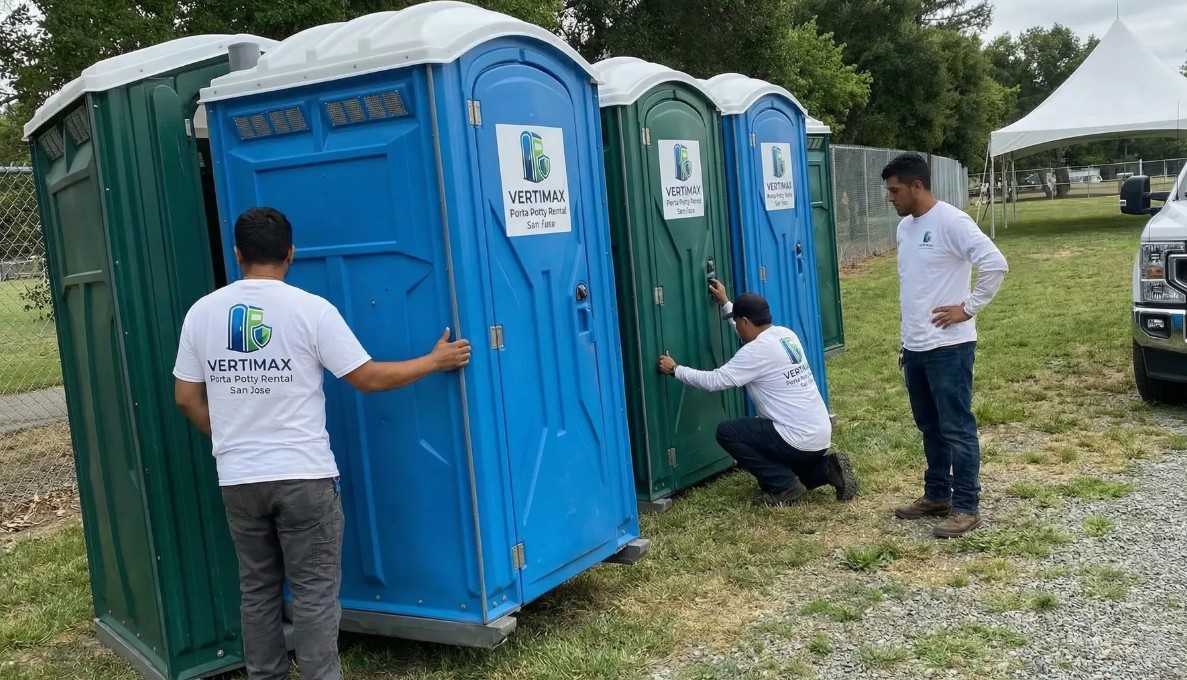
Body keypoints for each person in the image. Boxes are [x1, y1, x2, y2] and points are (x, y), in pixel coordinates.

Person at [172, 207, 471, 680]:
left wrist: (230, 438)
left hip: (239, 478)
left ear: (237, 254)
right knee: (312, 594)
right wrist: (433, 362)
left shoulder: (202, 313)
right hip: (304, 476)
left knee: (257, 590)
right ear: (291, 254)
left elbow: (186, 397)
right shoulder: (311, 310)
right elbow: (368, 378)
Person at [882, 152, 1008, 539]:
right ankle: (937, 495)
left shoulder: (952, 221)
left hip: (949, 349)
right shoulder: (905, 228)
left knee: (956, 427)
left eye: (895, 190)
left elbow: (995, 263)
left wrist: (967, 309)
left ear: (916, 186)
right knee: (929, 426)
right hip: (916, 347)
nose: (891, 198)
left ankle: (966, 506)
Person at [657, 280, 857, 507]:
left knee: (728, 432)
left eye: (736, 321)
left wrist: (676, 370)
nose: (736, 325)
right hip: (818, 437)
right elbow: (750, 337)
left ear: (745, 321)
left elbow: (715, 381)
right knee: (779, 466)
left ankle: (785, 486)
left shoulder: (755, 352)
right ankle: (827, 468)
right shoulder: (785, 335)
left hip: (794, 438)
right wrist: (725, 303)